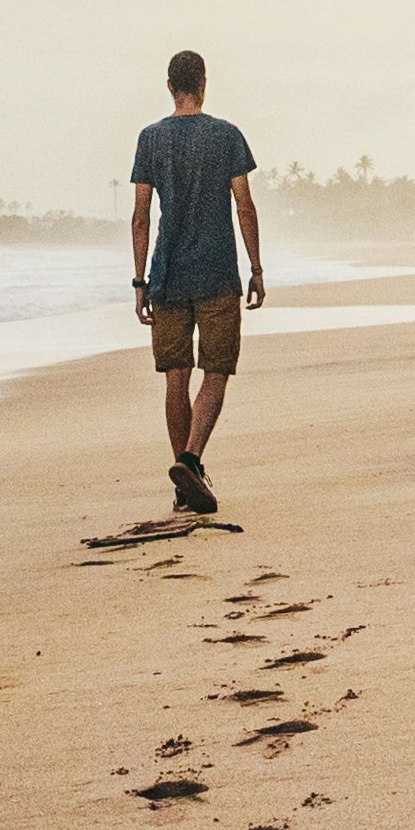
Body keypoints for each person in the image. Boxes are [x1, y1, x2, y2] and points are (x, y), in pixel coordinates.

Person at [128, 48, 262, 515]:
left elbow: (141, 216)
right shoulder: (226, 136)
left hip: (166, 274)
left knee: (176, 378)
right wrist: (257, 268)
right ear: (204, 82)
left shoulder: (150, 139)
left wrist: (139, 280)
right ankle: (190, 460)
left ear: (169, 86)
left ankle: (184, 482)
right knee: (217, 372)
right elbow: (244, 205)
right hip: (217, 271)